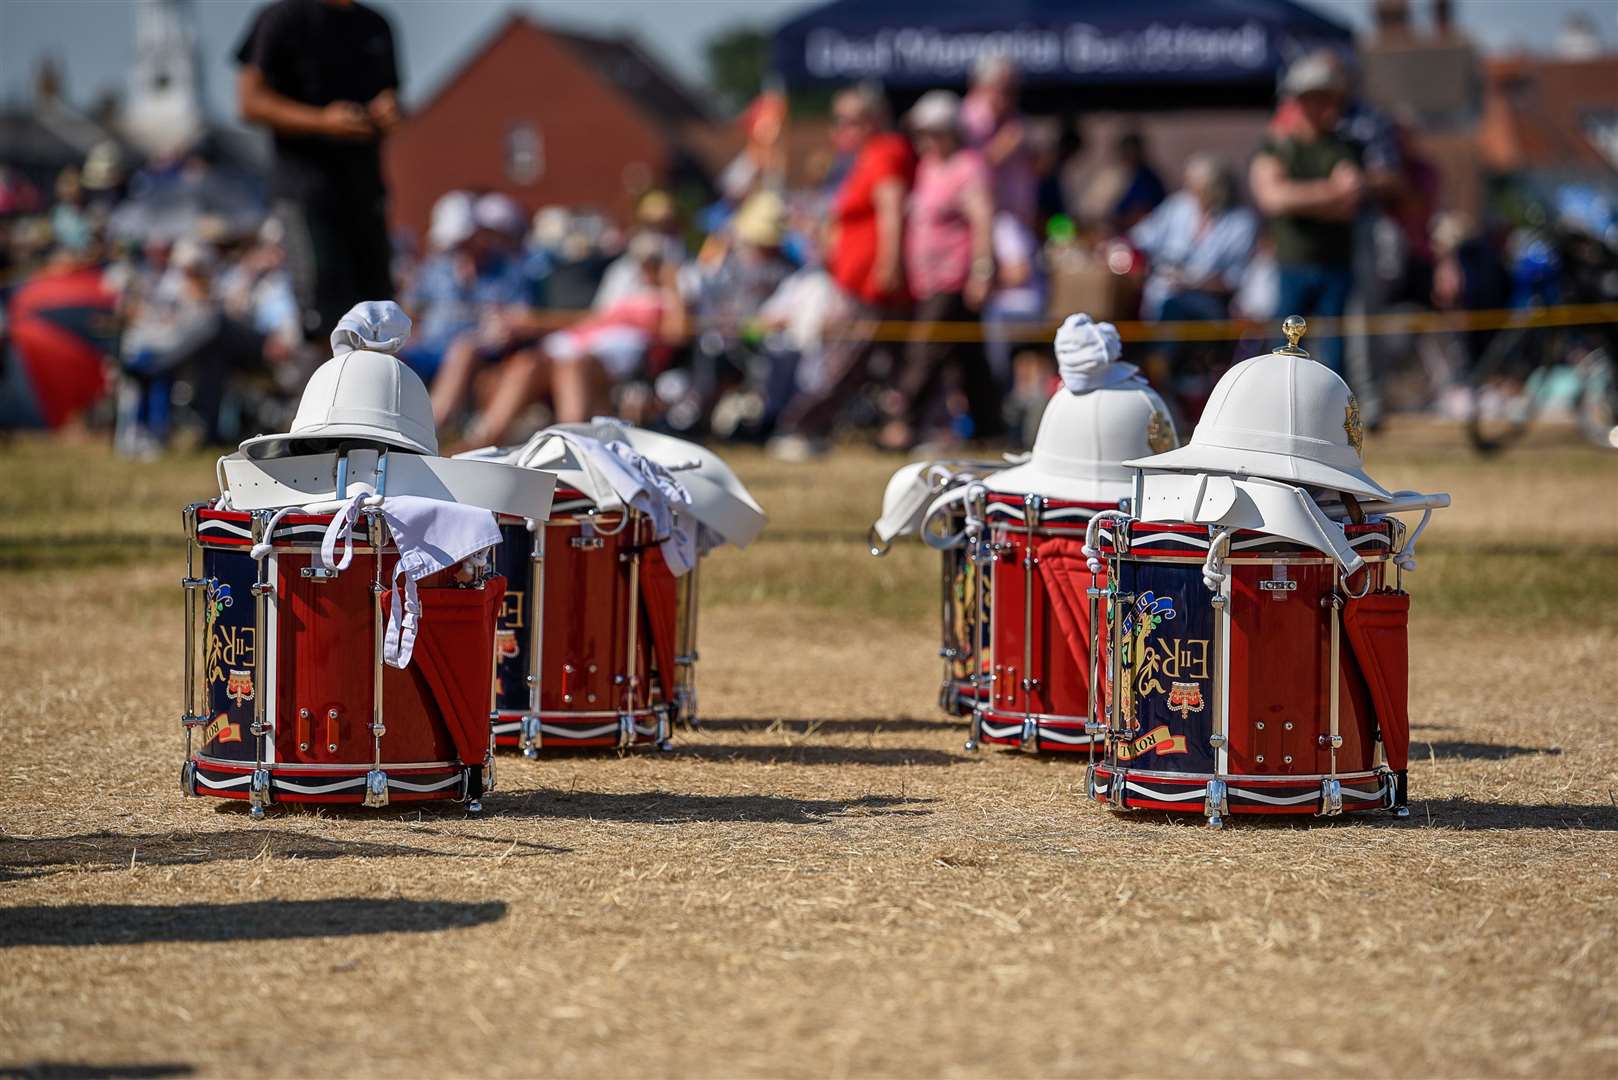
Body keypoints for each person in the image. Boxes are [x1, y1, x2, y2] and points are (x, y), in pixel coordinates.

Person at [235, 0, 401, 345]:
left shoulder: (376, 25)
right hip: (306, 192)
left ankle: (375, 397)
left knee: (378, 313)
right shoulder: (281, 18)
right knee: (323, 316)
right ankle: (322, 397)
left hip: (364, 191)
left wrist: (388, 110)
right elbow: (250, 101)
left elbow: (392, 95)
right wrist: (322, 121)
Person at [769, 84, 914, 460]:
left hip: (872, 284)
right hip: (854, 282)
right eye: (840, 120)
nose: (842, 128)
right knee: (875, 360)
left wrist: (889, 263)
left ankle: (803, 426)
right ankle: (899, 424)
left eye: (851, 120)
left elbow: (891, 208)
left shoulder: (885, 153)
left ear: (874, 120)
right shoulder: (863, 159)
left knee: (845, 360)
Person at [1249, 53, 1364, 374]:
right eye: (1316, 98)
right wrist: (1328, 193)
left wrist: (1297, 197)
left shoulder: (1344, 147)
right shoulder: (1278, 146)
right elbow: (1272, 199)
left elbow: (1349, 201)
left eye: (1330, 98)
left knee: (1336, 352)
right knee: (1283, 350)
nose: (1326, 107)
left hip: (1335, 264)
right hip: (1292, 264)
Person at [1130, 154, 1258, 323]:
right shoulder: (1178, 205)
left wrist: (1190, 282)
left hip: (1209, 302)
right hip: (1160, 295)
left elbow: (1234, 280)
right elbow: (1141, 237)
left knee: (1175, 309)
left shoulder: (1241, 222)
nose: (1191, 192)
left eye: (1199, 187)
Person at [961, 53, 1037, 227]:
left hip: (1018, 215)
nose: (1010, 96)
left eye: (1013, 89)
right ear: (981, 86)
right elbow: (966, 170)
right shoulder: (968, 119)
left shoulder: (1015, 118)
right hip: (987, 219)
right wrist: (1003, 147)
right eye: (1005, 88)